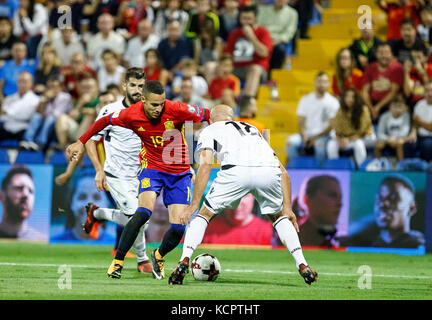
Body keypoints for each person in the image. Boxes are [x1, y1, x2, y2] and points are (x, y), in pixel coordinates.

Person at [66, 80, 211, 280]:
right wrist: (80, 142)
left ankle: (158, 256)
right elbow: (104, 121)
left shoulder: (177, 108)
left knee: (178, 227)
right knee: (141, 213)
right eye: (154, 105)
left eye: (161, 104)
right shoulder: (130, 114)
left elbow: (209, 115)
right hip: (152, 169)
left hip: (179, 174)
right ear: (143, 99)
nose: (159, 109)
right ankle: (118, 261)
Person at [167, 105, 318, 286]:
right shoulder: (252, 130)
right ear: (233, 118)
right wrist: (287, 208)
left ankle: (184, 260)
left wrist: (193, 205)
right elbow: (283, 172)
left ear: (211, 120)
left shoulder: (210, 130)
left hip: (235, 171)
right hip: (267, 172)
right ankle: (303, 264)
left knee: (203, 215)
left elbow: (206, 165)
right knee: (279, 217)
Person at [82, 68, 152, 274]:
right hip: (116, 174)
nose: (137, 90)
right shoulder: (109, 110)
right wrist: (98, 170)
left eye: (141, 86)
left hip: (142, 174)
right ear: (124, 86)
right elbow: (90, 141)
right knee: (136, 216)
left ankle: (96, 213)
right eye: (133, 85)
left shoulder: (151, 111)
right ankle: (143, 261)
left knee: (141, 220)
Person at [340, 174, 425, 248]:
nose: (383, 204)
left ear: (412, 208)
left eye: (393, 198)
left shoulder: (419, 244)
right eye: (380, 199)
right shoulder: (366, 243)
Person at [285, 72, 340, 164]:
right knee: (290, 142)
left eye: (324, 81)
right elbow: (301, 122)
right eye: (319, 81)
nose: (321, 84)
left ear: (329, 84)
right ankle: (294, 169)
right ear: (315, 82)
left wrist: (315, 138)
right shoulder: (305, 99)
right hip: (306, 135)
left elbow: (332, 125)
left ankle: (320, 171)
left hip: (324, 136)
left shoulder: (333, 102)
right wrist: (304, 136)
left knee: (319, 145)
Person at [224, 4, 273, 98]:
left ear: (255, 19)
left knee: (255, 69)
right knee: (213, 67)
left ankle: (247, 102)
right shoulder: (234, 33)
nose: (246, 22)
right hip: (236, 68)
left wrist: (251, 36)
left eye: (249, 18)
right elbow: (228, 55)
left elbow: (264, 53)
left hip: (257, 68)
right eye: (243, 18)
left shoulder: (263, 32)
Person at [19, 76, 73, 151]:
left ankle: (40, 143)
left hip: (58, 126)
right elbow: (37, 111)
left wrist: (44, 114)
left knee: (50, 118)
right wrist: (44, 99)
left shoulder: (65, 97)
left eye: (55, 87)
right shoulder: (45, 95)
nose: (52, 89)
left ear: (61, 88)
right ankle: (27, 141)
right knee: (36, 116)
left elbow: (56, 114)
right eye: (50, 87)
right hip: (45, 121)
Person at [327, 88, 376, 167]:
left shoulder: (364, 109)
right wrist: (339, 139)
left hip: (365, 137)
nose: (350, 99)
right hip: (346, 138)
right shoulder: (340, 110)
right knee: (331, 144)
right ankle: (334, 168)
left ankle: (361, 168)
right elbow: (337, 128)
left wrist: (348, 139)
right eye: (348, 97)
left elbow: (363, 130)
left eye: (353, 97)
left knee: (358, 144)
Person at [202, 193, 273, 245]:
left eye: (245, 196)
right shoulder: (207, 228)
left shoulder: (269, 231)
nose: (238, 202)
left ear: (254, 198)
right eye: (232, 195)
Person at [292, 175, 342, 247]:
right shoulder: (291, 235)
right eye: (332, 195)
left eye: (340, 198)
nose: (340, 204)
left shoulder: (330, 242)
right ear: (307, 200)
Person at [0, 165, 46, 241]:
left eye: (30, 191)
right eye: (19, 188)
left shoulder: (40, 240)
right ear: (1, 196)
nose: (26, 194)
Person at [362, 43, 404, 122]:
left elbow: (394, 92)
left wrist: (378, 107)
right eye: (381, 53)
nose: (384, 56)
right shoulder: (370, 68)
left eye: (387, 53)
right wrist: (371, 108)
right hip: (372, 103)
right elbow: (365, 92)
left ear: (391, 54)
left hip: (390, 104)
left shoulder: (397, 68)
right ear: (376, 55)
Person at [55, 77, 99, 149]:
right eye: (84, 88)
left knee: (89, 116)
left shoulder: (100, 100)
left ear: (97, 88)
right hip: (79, 131)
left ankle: (78, 146)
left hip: (93, 135)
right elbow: (72, 115)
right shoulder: (79, 101)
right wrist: (81, 103)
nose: (87, 90)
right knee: (62, 117)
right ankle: (63, 146)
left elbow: (96, 113)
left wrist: (84, 111)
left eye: (89, 88)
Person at [257, 0, 298, 72]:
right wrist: (266, 40)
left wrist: (276, 42)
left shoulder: (292, 13)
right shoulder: (263, 10)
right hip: (263, 39)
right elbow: (258, 26)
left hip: (279, 41)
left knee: (280, 49)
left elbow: (289, 32)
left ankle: (273, 73)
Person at [0, 71, 40, 142]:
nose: (21, 85)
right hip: (6, 128)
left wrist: (8, 114)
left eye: (24, 82)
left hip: (24, 130)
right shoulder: (9, 98)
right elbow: (2, 117)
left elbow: (28, 117)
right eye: (20, 81)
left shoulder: (36, 100)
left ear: (31, 84)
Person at [374, 95, 413, 161]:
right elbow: (380, 133)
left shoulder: (406, 116)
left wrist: (396, 140)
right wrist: (389, 140)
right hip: (388, 140)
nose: (397, 109)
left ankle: (400, 165)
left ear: (403, 108)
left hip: (401, 140)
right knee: (378, 144)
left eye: (399, 106)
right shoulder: (384, 116)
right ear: (390, 107)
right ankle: (377, 165)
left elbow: (404, 132)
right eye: (394, 106)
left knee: (399, 143)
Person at [406, 81, 432, 161]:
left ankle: (428, 168)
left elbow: (430, 127)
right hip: (420, 135)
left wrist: (419, 121)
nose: (429, 93)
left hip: (430, 136)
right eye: (427, 90)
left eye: (431, 90)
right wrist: (413, 132)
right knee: (408, 143)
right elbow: (415, 122)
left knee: (427, 145)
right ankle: (409, 167)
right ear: (424, 92)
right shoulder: (419, 104)